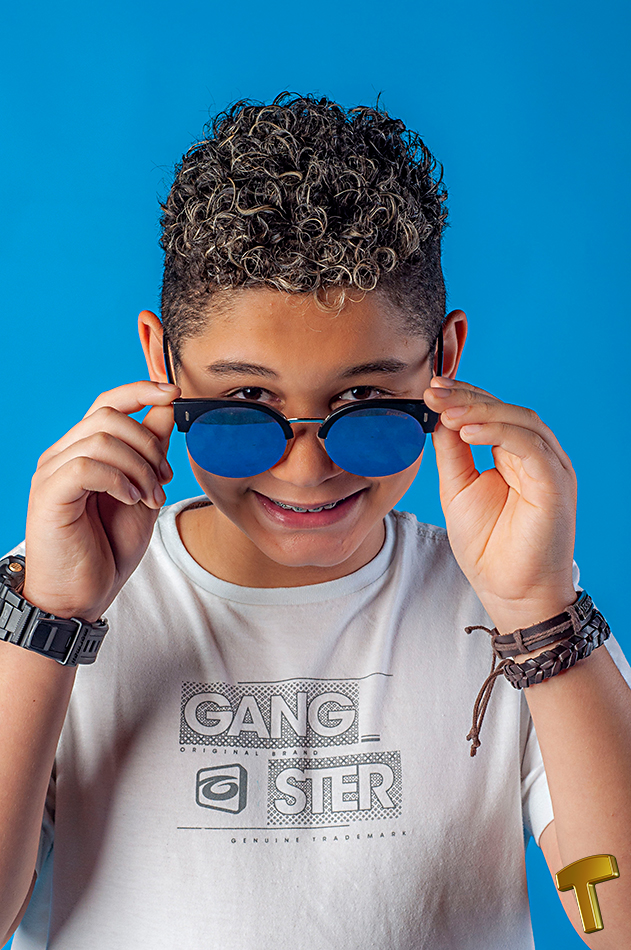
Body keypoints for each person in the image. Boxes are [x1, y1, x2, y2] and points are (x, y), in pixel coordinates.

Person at [1, 93, 630, 950]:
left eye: (364, 401)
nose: (305, 470)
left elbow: (618, 922)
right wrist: (49, 621)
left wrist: (535, 612)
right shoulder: (39, 602)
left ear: (443, 362)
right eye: (245, 402)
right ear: (161, 361)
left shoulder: (517, 616)